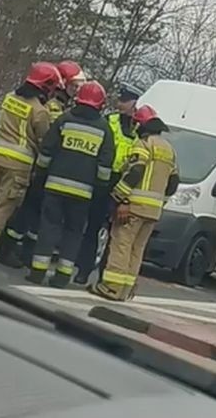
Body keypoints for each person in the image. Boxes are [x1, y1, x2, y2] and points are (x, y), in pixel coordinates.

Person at [0, 62, 61, 265]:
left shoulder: (8, 98)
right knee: (4, 205)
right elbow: (44, 140)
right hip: (19, 164)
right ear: (45, 86)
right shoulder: (39, 111)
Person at [27, 81, 114, 288]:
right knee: (73, 233)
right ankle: (62, 277)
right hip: (83, 194)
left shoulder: (64, 120)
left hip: (54, 187)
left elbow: (46, 151)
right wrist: (99, 190)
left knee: (48, 227)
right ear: (100, 104)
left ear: (78, 99)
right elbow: (105, 165)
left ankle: (37, 272)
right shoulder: (104, 129)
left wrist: (40, 175)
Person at [1, 59, 87, 268]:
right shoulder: (53, 107)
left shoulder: (63, 106)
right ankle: (7, 248)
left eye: (78, 87)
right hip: (39, 168)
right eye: (73, 86)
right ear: (62, 83)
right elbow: (49, 138)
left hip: (49, 170)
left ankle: (26, 253)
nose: (76, 91)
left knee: (38, 216)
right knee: (28, 212)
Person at [91, 105, 179, 301]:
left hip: (133, 206)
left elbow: (135, 171)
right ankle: (125, 290)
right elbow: (173, 184)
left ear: (141, 124)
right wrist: (159, 200)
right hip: (153, 211)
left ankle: (111, 288)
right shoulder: (169, 150)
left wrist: (119, 198)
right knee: (137, 249)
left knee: (122, 245)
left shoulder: (143, 144)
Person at [73, 83, 143, 285]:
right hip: (102, 180)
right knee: (92, 228)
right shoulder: (108, 120)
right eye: (119, 100)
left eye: (125, 101)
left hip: (123, 183)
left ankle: (106, 274)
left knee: (116, 234)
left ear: (135, 103)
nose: (120, 104)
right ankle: (83, 270)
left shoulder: (139, 129)